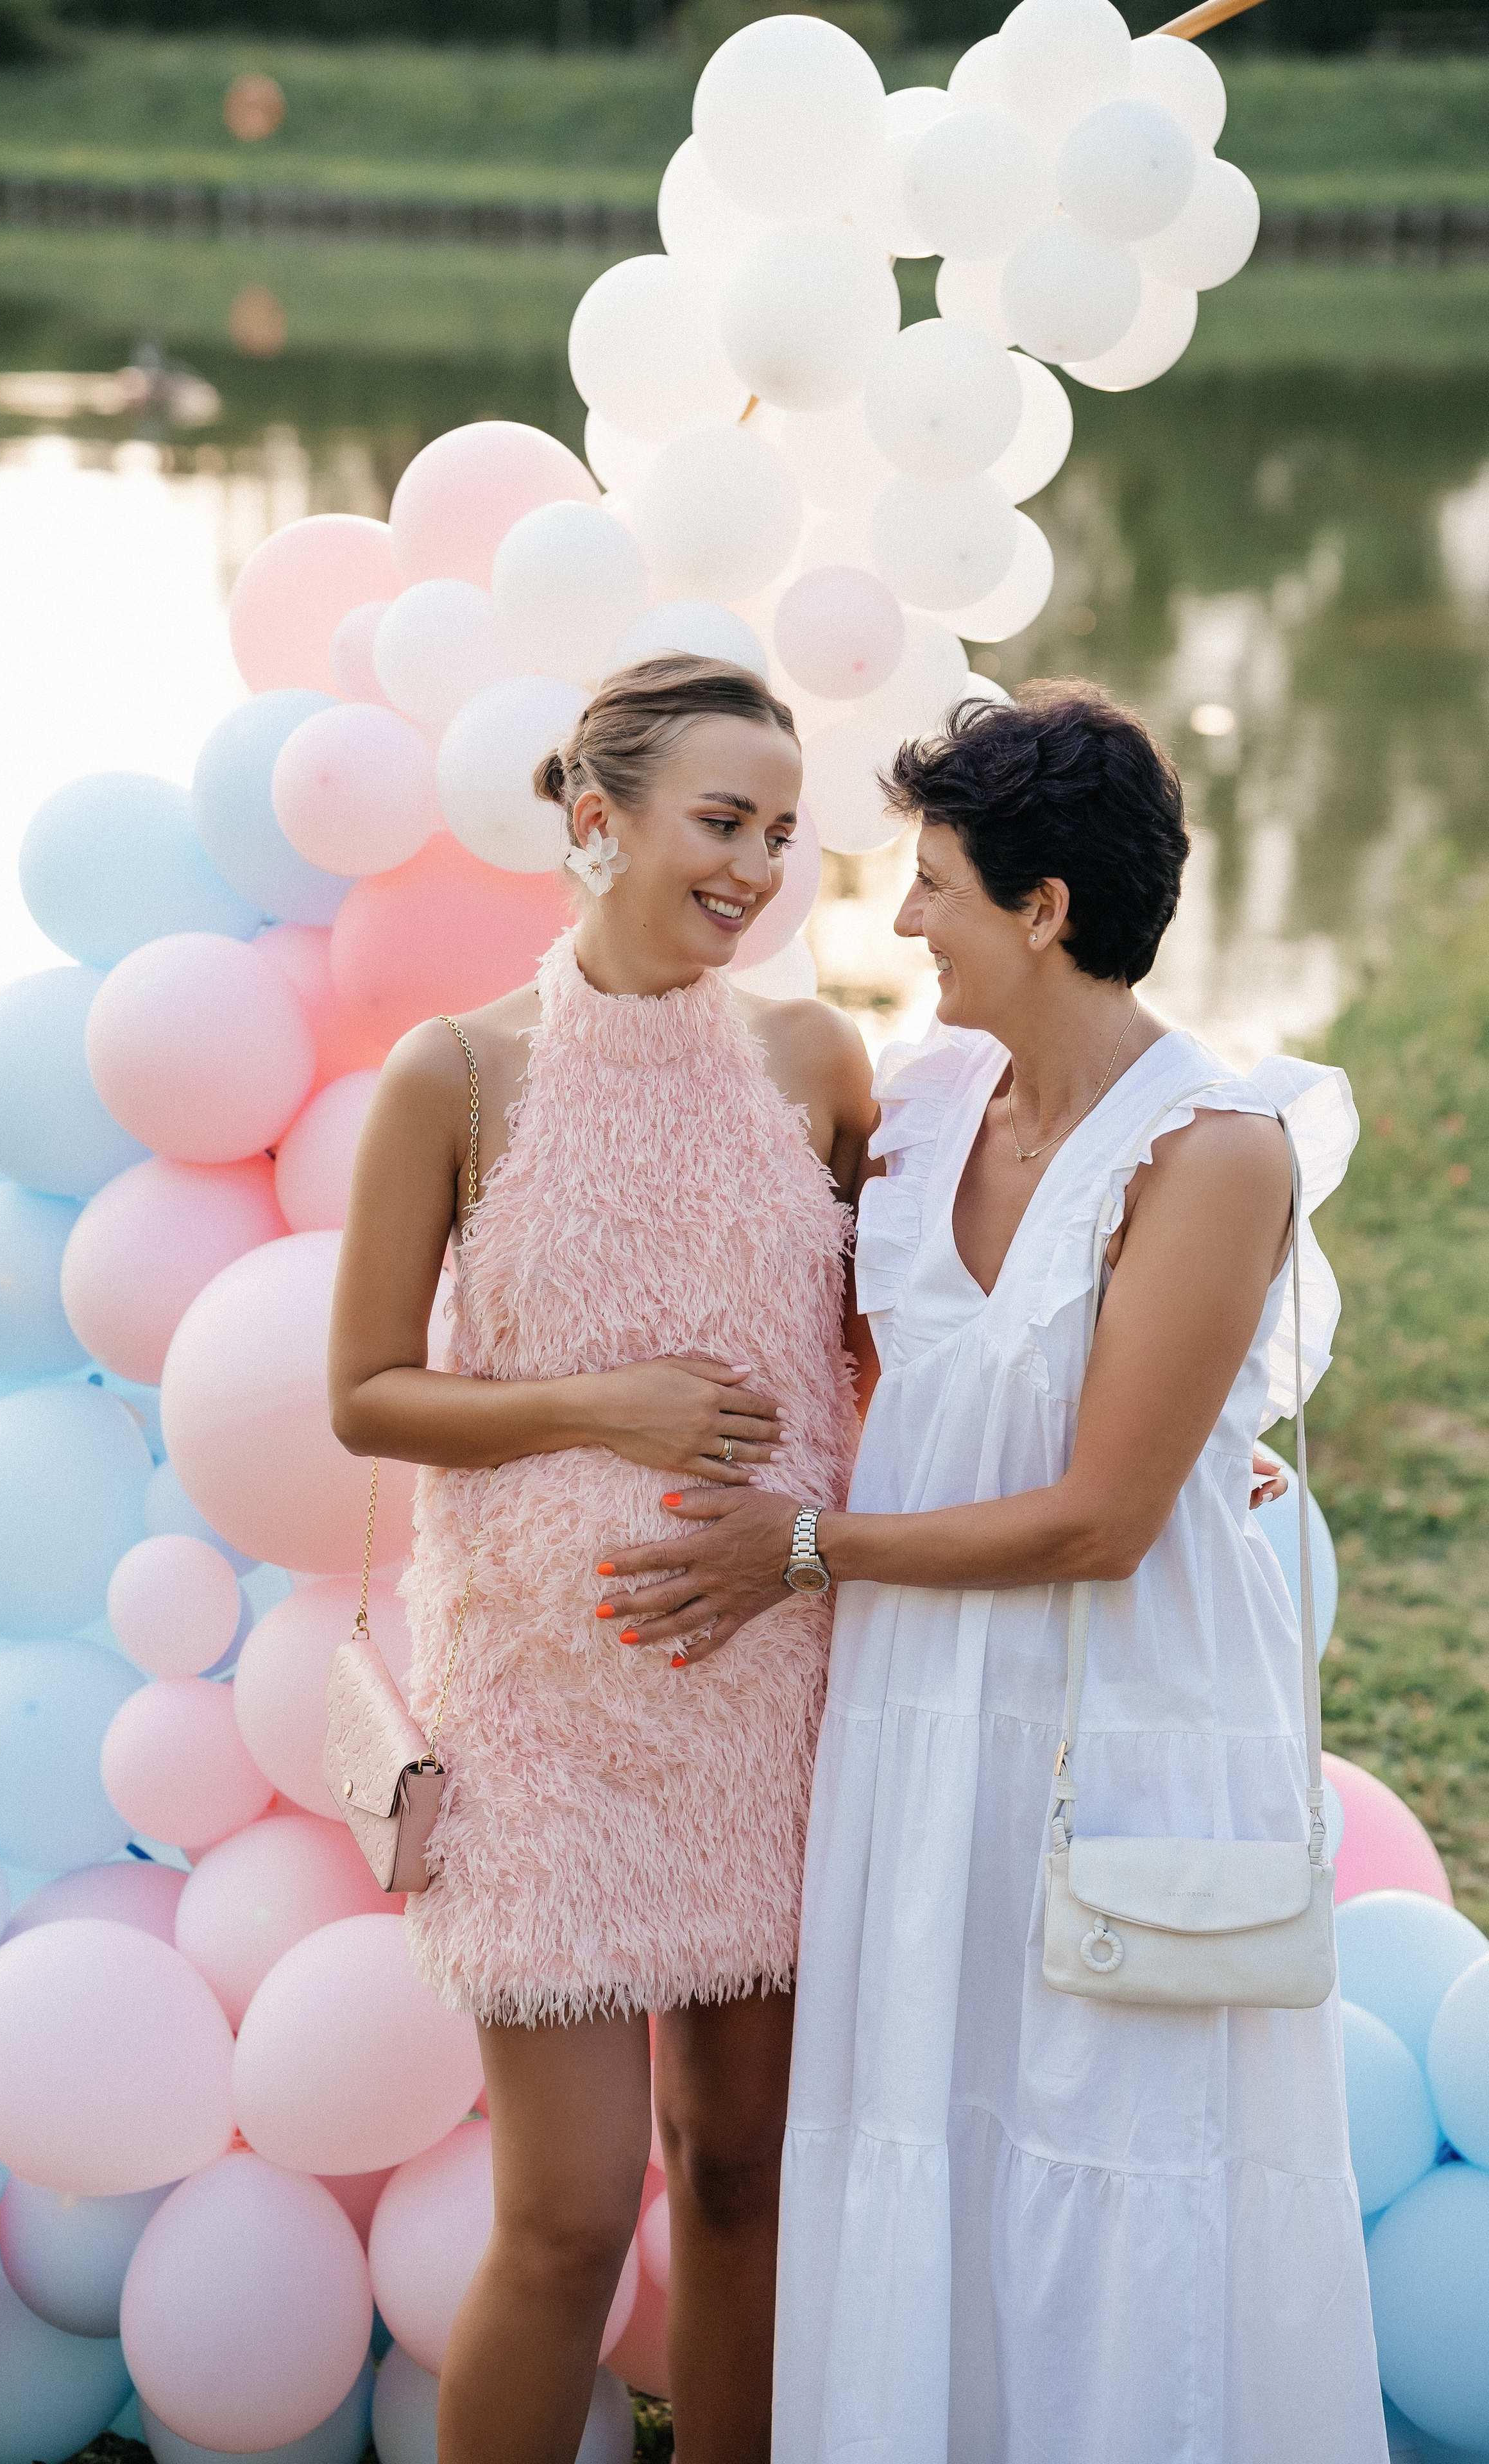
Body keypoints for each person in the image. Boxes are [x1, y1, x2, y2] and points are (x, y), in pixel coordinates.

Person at [596, 682, 1387, 2462]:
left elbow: (1104, 1517)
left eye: (938, 884)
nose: (902, 922)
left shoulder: (1216, 1151)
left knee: (1108, 2137)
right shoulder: (933, 1106)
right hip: (914, 1712)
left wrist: (800, 1553)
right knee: (923, 2125)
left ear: (1045, 910)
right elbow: (879, 1365)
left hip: (1116, 1714)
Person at [327, 654, 876, 2464]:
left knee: (738, 2178)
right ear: (593, 822)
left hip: (760, 1698)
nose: (756, 868)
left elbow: (909, 1346)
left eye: (782, 834)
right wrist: (601, 1408)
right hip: (543, 1723)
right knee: (563, 2220)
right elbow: (367, 1396)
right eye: (723, 821)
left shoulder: (815, 1061)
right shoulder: (459, 1075)